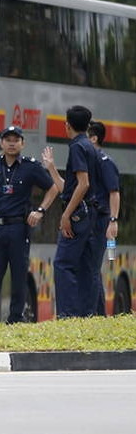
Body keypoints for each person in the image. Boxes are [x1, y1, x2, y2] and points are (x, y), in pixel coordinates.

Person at [0, 126, 58, 327]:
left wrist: (40, 210)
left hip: (19, 227)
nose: (12, 143)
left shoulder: (30, 166)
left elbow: (53, 188)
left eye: (16, 140)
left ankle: (15, 319)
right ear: (1, 143)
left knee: (18, 274)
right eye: (8, 139)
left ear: (22, 143)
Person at [45, 105, 100, 318]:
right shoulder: (90, 147)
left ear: (66, 125)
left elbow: (82, 184)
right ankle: (87, 314)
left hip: (79, 214)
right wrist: (51, 167)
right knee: (87, 266)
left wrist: (66, 214)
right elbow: (70, 185)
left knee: (63, 264)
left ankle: (67, 315)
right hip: (91, 213)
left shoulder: (77, 147)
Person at [87, 121, 120, 315]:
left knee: (92, 268)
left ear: (94, 138)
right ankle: (97, 314)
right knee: (90, 268)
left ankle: (97, 314)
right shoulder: (87, 161)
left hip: (101, 219)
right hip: (90, 219)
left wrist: (112, 221)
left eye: (86, 136)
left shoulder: (105, 162)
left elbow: (114, 192)